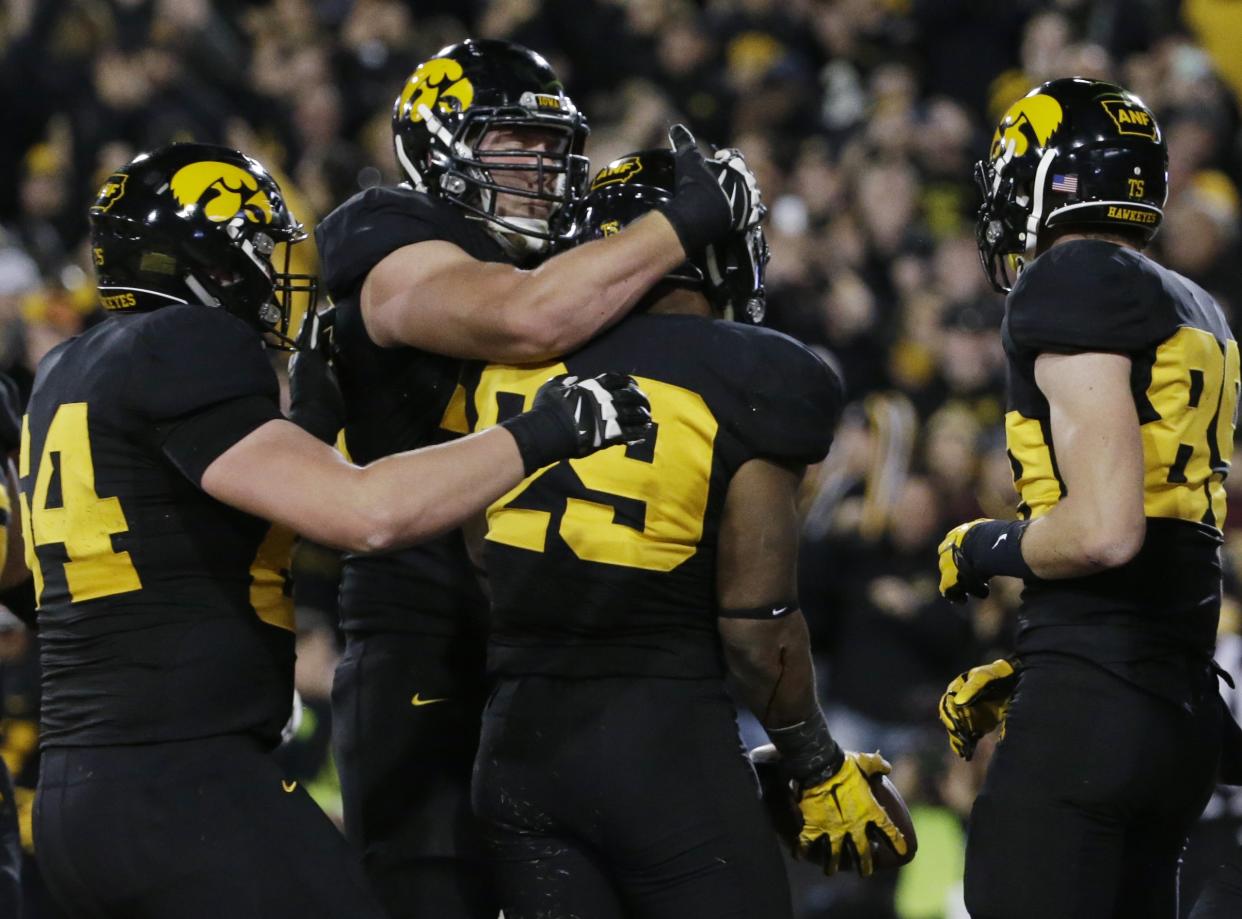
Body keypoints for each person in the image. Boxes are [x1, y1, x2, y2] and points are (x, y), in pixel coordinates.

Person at [23, 141, 651, 919]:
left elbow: (148, 534)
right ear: (209, 262)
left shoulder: (67, 370)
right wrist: (549, 428)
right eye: (259, 249)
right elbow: (368, 512)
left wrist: (317, 409)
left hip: (76, 795)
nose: (279, 272)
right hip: (186, 783)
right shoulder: (189, 343)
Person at [313, 38, 763, 919]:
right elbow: (526, 320)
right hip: (426, 629)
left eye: (554, 147)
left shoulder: (557, 259)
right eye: (513, 142)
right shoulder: (393, 231)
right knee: (434, 894)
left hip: (543, 649)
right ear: (439, 149)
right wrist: (679, 222)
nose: (542, 166)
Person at [461, 149, 907, 919]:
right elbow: (753, 623)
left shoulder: (506, 349)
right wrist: (812, 758)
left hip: (516, 741)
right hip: (661, 741)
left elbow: (479, 548)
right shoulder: (756, 373)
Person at [935, 77, 1237, 919]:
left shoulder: (1072, 278)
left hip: (1096, 708)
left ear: (1049, 180)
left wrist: (980, 545)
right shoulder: (1196, 303)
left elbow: (1106, 531)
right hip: (1177, 710)